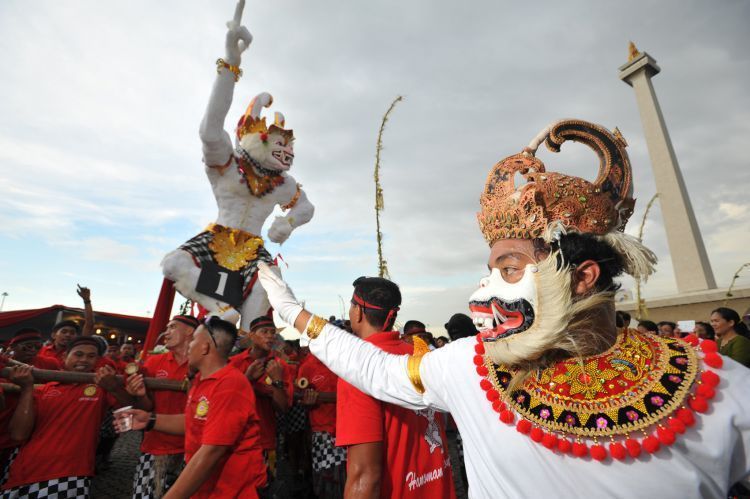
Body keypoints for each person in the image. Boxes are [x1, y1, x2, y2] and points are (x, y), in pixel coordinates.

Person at [257, 119, 750, 497]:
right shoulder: (473, 369)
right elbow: (373, 368)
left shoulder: (718, 387)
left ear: (581, 277)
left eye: (510, 269)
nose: (484, 294)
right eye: (489, 271)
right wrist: (288, 307)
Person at [115, 317, 266, 498]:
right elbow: (192, 421)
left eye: (194, 339)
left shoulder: (230, 384)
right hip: (209, 488)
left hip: (233, 490)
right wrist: (149, 420)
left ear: (205, 347)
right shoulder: (202, 381)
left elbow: (212, 451)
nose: (189, 346)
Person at [334, 277, 455, 498]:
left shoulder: (357, 369)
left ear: (359, 312)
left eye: (352, 305)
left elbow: (364, 477)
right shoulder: (420, 355)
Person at [1, 336, 132, 498]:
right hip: (20, 471)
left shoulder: (101, 388)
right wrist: (27, 388)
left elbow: (129, 421)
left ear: (97, 360)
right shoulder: (43, 389)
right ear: (64, 357)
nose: (84, 359)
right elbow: (18, 434)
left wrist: (115, 389)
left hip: (69, 473)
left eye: (91, 356)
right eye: (78, 354)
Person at [126, 315, 198, 498]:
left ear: (190, 331)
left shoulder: (204, 363)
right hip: (156, 446)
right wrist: (140, 395)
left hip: (195, 449)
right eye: (166, 328)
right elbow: (148, 406)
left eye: (172, 327)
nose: (166, 332)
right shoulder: (153, 362)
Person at [228, 316, 293, 472]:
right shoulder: (234, 363)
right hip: (234, 439)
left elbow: (283, 408)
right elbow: (226, 401)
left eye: (272, 332)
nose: (270, 336)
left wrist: (277, 381)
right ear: (251, 335)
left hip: (264, 440)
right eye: (264, 332)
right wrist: (247, 379)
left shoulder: (281, 366)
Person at [297, 350, 345, 498]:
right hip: (323, 433)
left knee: (347, 481)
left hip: (348, 430)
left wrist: (321, 397)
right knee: (326, 483)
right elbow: (301, 398)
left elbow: (355, 394)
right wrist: (308, 401)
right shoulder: (307, 366)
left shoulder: (343, 359)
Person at [38, 285, 95, 364]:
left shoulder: (77, 351)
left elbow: (89, 325)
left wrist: (87, 301)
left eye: (72, 333)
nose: (68, 335)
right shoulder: (41, 350)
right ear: (54, 335)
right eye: (64, 332)